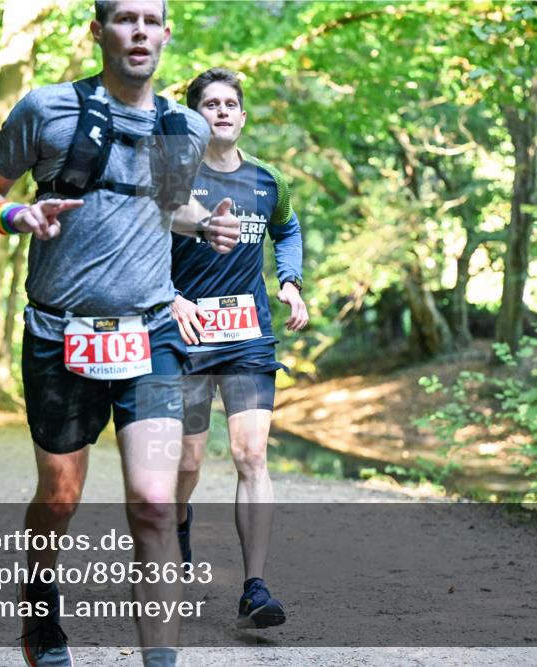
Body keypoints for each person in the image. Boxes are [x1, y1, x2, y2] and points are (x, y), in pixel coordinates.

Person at [0, 2, 240, 665]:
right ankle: (40, 607)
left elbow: (168, 204)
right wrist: (16, 212)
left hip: (149, 332)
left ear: (167, 34)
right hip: (60, 333)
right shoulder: (46, 109)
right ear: (98, 31)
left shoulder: (186, 127)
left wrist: (205, 225)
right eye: (124, 19)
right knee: (60, 497)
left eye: (152, 19)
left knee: (151, 501)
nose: (139, 31)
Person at [168, 68, 308, 630]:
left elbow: (289, 229)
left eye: (230, 103)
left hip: (248, 335)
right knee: (188, 461)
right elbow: (142, 240)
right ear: (194, 117)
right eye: (210, 103)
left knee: (252, 456)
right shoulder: (172, 179)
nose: (222, 110)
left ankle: (254, 586)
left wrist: (291, 281)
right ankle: (176, 529)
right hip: (187, 335)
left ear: (242, 116)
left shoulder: (267, 180)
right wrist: (169, 296)